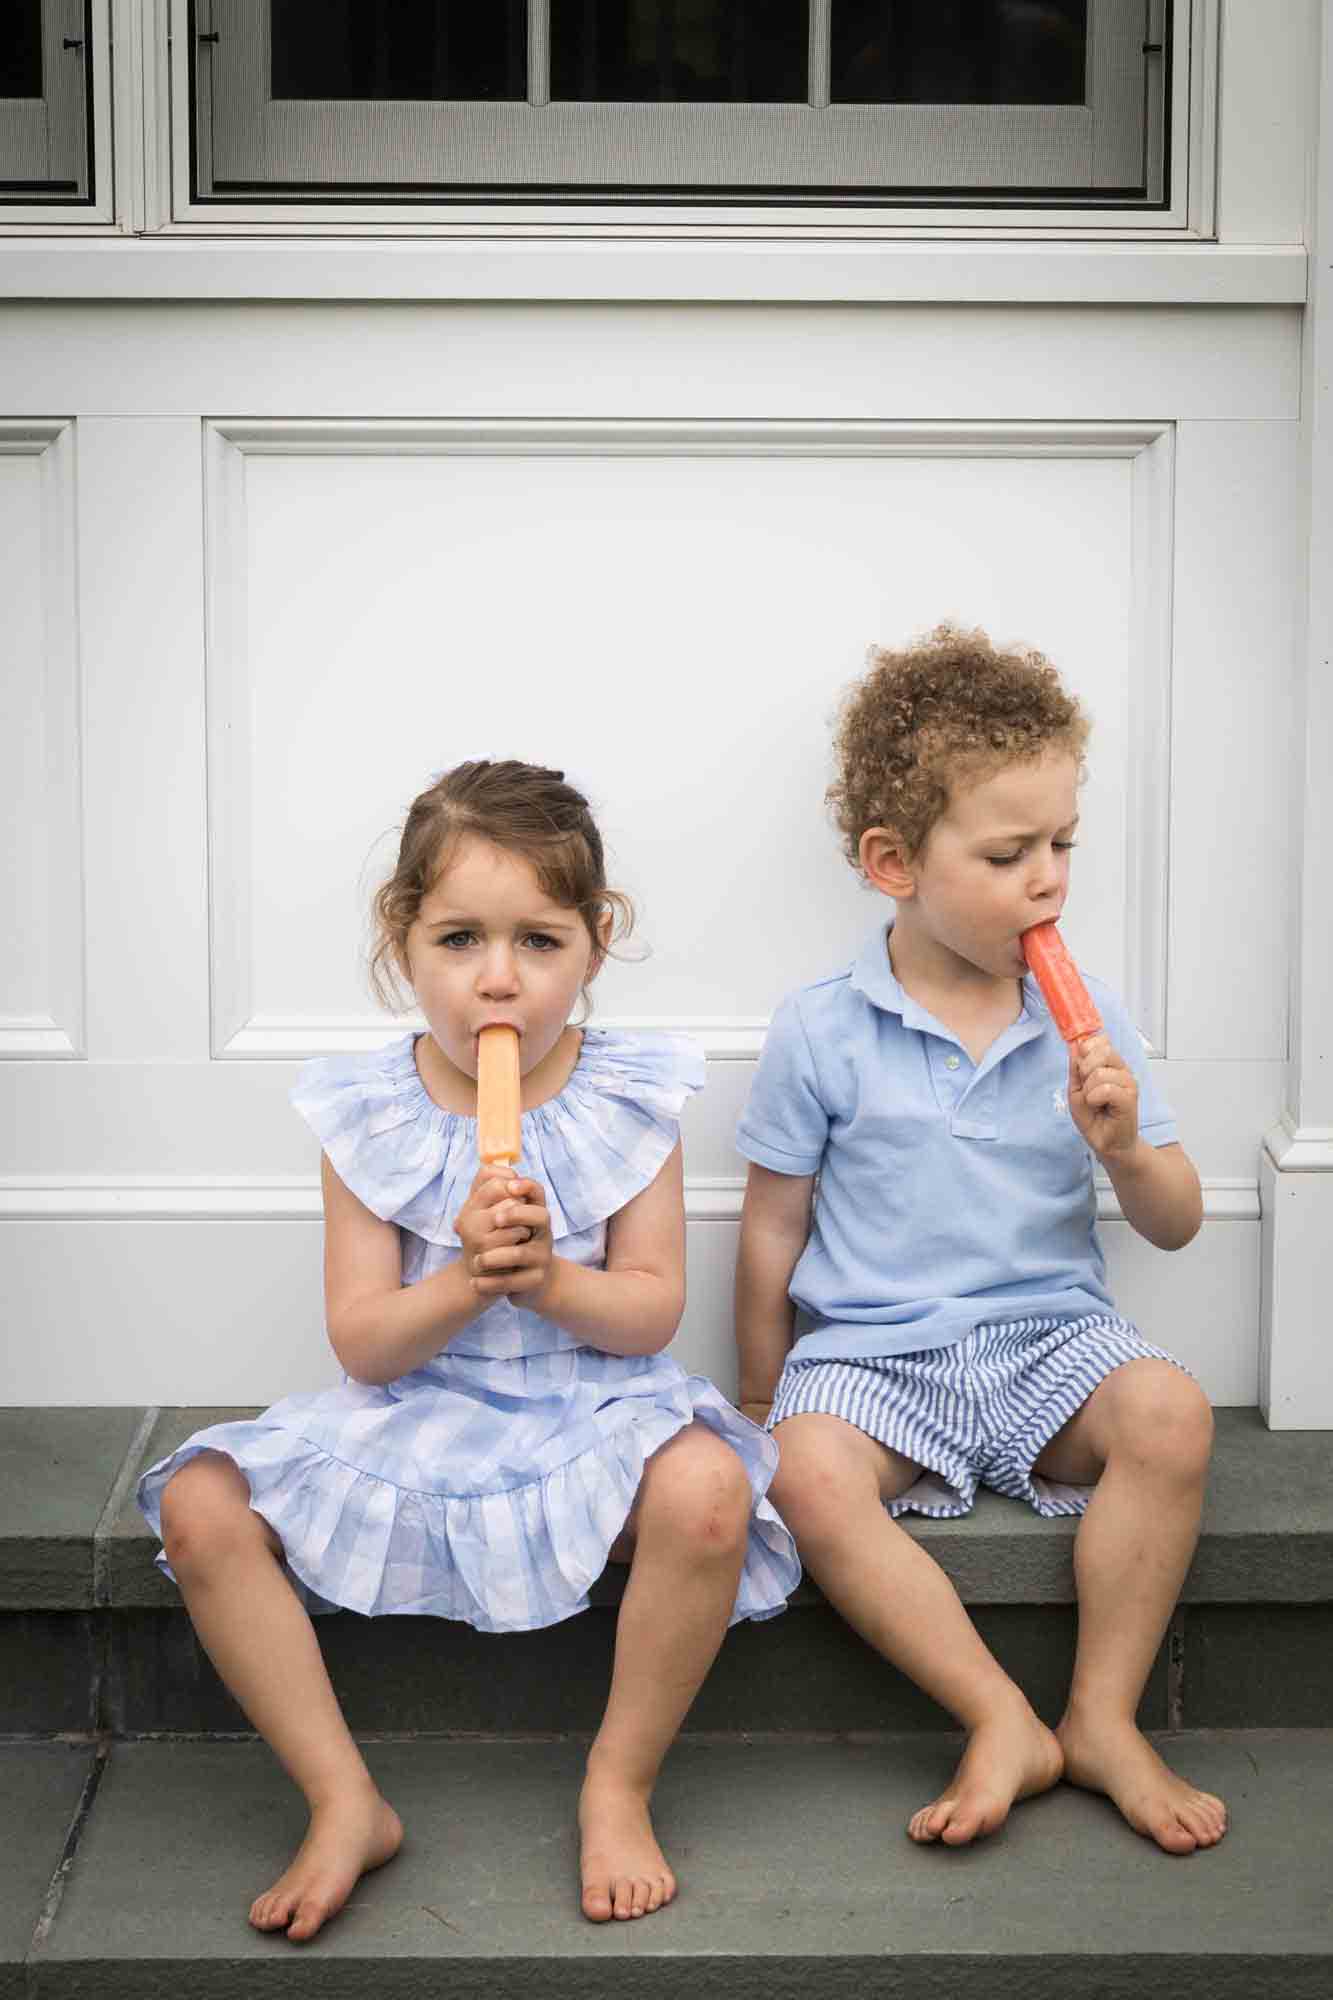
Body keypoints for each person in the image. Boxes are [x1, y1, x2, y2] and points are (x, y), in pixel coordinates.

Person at [139, 758, 798, 1940]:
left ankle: (618, 1780)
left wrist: (546, 1279)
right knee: (197, 1503)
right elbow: (365, 1344)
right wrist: (457, 1282)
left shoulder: (630, 1094)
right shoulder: (367, 1112)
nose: (498, 979)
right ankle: (344, 1798)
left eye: (538, 941)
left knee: (707, 1488)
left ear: (595, 943)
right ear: (404, 944)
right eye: (459, 938)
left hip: (593, 1406)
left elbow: (649, 1311)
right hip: (419, 1405)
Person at [734, 625, 1227, 1856]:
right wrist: (757, 1394)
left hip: (1048, 1340)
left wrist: (1122, 1145)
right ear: (895, 862)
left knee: (1171, 1413)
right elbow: (770, 1226)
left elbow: (1173, 1221)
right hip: (873, 1354)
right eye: (1008, 853)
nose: (1048, 879)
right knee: (802, 1473)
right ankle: (995, 1710)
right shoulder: (824, 1029)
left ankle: (1103, 1715)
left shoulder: (1090, 1023)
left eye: (1062, 845)